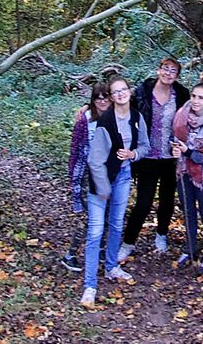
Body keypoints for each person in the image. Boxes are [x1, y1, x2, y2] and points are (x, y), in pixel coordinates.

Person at [81, 77, 149, 307]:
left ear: (129, 92)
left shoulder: (137, 117)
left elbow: (145, 146)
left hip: (124, 175)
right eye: (115, 92)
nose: (121, 94)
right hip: (102, 179)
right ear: (111, 97)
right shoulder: (106, 122)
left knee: (117, 223)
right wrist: (103, 188)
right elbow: (94, 160)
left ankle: (111, 266)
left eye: (124, 90)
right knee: (95, 231)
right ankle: (89, 286)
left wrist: (133, 155)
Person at [119, 57, 189, 259]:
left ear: (177, 76)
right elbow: (124, 110)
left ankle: (161, 234)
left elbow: (189, 119)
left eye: (173, 71)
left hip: (170, 156)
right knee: (144, 202)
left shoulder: (181, 94)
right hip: (147, 155)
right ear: (159, 70)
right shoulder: (142, 92)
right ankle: (128, 242)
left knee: (167, 200)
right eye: (166, 69)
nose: (169, 73)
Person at [170, 82, 203, 274]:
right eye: (193, 96)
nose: (195, 101)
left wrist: (188, 152)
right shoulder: (182, 115)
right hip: (183, 171)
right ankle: (189, 248)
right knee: (188, 213)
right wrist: (175, 150)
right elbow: (174, 140)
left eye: (201, 97)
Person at [63, 82, 112, 271]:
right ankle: (71, 254)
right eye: (97, 97)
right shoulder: (86, 118)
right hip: (86, 173)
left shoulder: (116, 116)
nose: (102, 101)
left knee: (108, 214)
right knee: (87, 217)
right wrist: (73, 174)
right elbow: (75, 147)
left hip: (109, 173)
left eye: (105, 97)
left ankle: (100, 249)